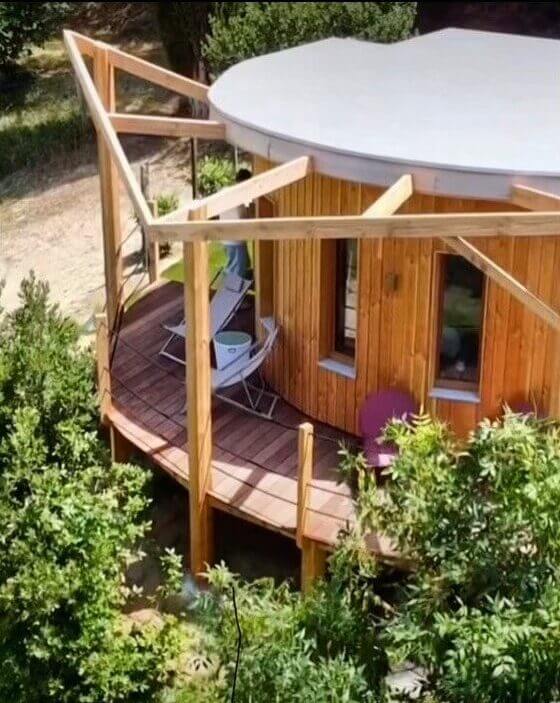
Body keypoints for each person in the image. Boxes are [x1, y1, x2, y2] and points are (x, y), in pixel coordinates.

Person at [221, 167, 253, 280]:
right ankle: (230, 289)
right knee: (239, 271)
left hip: (225, 238)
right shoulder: (239, 195)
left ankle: (230, 286)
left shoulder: (225, 191)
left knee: (240, 266)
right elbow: (242, 217)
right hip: (235, 240)